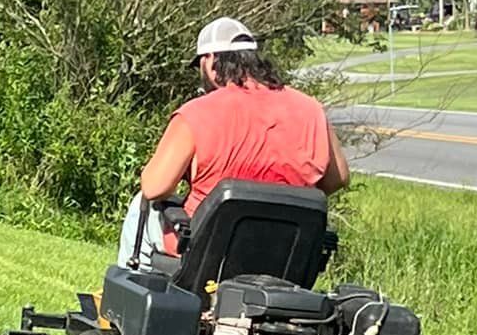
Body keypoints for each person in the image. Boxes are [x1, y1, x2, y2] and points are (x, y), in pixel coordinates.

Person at [117, 17, 350, 266]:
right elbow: (339, 178)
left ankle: (128, 293)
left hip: (207, 248)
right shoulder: (311, 109)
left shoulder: (197, 113)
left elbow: (154, 187)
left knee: (140, 206)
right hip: (285, 248)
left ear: (210, 60)